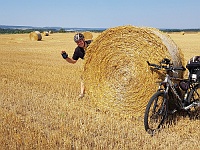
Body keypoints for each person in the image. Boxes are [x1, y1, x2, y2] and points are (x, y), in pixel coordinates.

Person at [61, 33, 92, 98]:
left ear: (83, 39)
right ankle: (82, 94)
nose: (79, 43)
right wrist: (66, 57)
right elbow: (73, 61)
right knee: (83, 77)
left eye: (80, 41)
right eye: (77, 42)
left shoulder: (92, 43)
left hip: (99, 62)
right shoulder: (77, 50)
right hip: (89, 64)